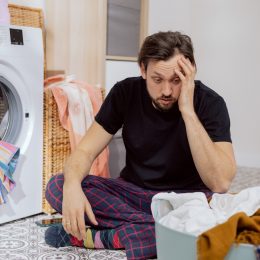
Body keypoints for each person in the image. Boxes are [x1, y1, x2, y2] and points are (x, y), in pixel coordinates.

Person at [45, 31, 236, 260]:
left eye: (176, 80)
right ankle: (160, 231)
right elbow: (85, 151)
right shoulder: (125, 92)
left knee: (206, 219)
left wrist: (187, 110)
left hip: (185, 201)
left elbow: (221, 182)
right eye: (157, 79)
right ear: (143, 70)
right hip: (133, 193)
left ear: (190, 72)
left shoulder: (210, 103)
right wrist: (72, 186)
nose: (167, 91)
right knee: (58, 185)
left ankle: (106, 237)